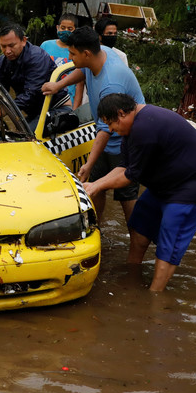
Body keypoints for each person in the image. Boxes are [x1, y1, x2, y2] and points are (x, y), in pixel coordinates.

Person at [84, 93, 196, 291]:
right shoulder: (131, 130)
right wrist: (94, 184)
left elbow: (129, 177)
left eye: (111, 124)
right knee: (140, 225)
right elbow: (124, 167)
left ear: (121, 114)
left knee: (170, 236)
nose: (111, 130)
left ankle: (154, 299)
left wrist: (98, 187)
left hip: (195, 182)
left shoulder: (144, 128)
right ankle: (132, 279)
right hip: (166, 181)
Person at [42, 26, 146, 242]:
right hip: (107, 133)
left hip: (126, 139)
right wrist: (58, 84)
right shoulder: (99, 53)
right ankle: (96, 232)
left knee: (127, 196)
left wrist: (89, 163)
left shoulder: (111, 83)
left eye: (72, 54)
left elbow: (105, 129)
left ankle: (137, 242)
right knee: (95, 188)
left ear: (86, 53)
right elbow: (83, 69)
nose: (69, 58)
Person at [0, 25, 70, 128]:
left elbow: (31, 93)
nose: (7, 51)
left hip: (58, 108)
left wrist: (4, 109)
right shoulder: (2, 61)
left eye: (11, 45)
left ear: (24, 41)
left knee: (27, 137)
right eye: (3, 46)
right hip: (36, 112)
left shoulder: (37, 58)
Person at [39, 13, 84, 107]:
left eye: (70, 29)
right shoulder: (46, 46)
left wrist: (74, 109)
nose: (65, 31)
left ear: (75, 30)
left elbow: (79, 85)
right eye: (63, 28)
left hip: (67, 103)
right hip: (44, 99)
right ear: (57, 27)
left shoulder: (79, 51)